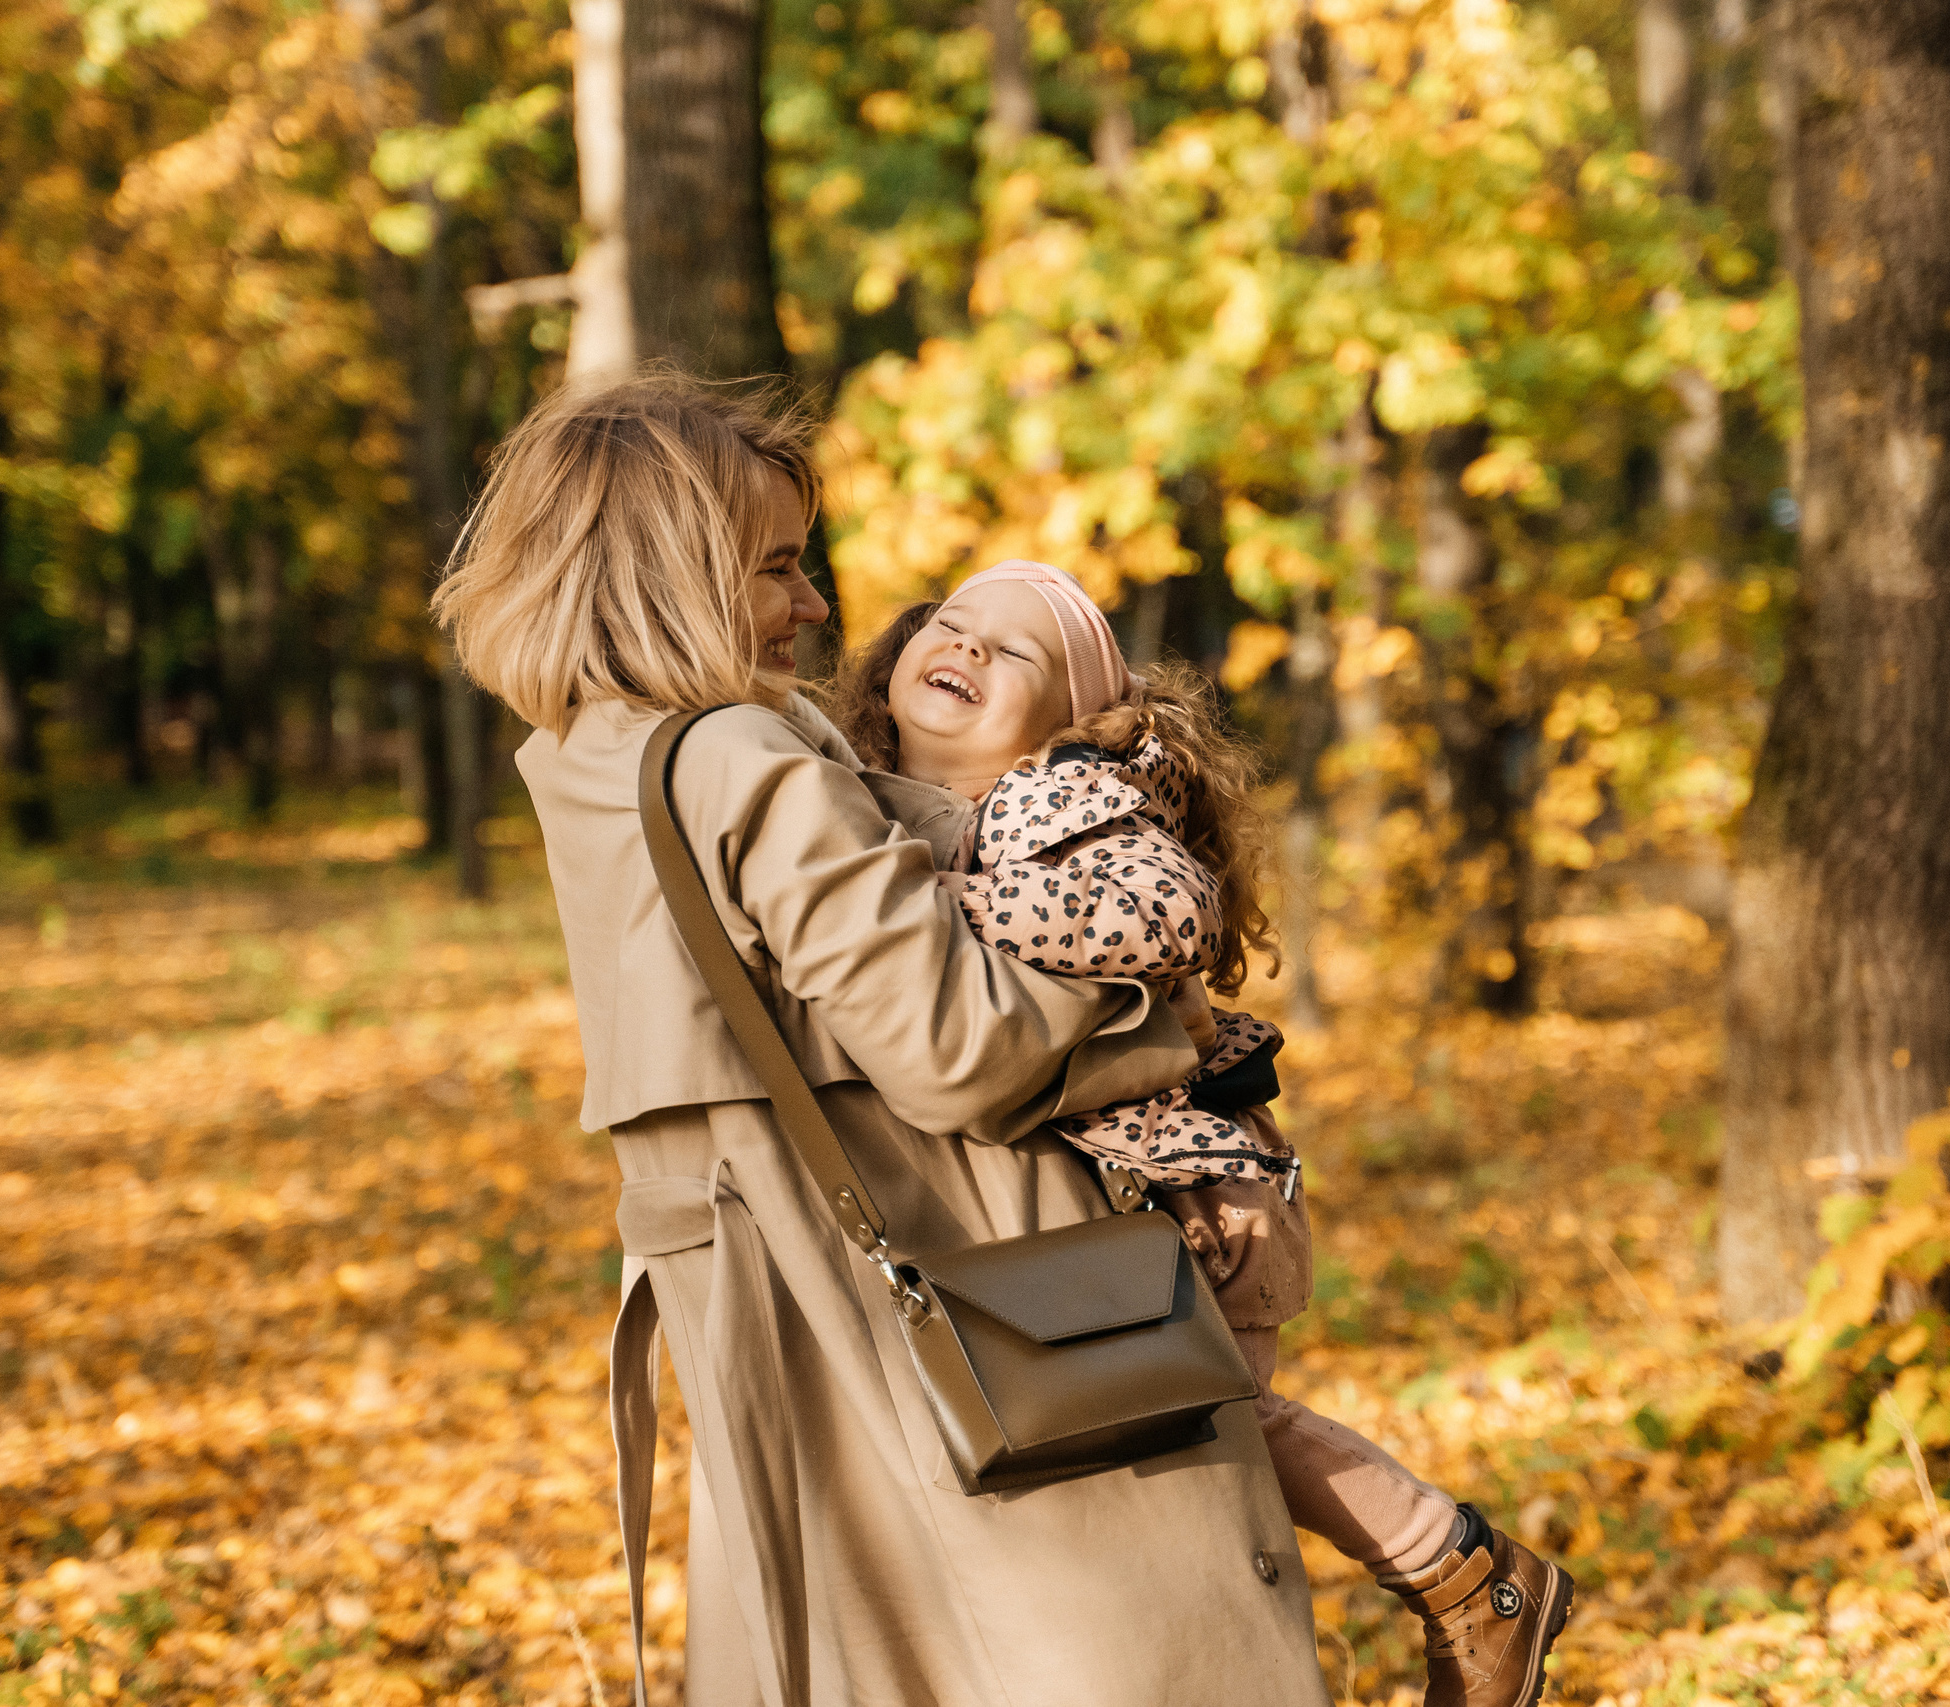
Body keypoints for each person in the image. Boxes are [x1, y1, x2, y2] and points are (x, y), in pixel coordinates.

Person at [429, 373, 1334, 1707]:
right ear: (671, 573)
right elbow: (958, 1049)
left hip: (766, 1276)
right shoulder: (746, 755)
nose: (813, 608)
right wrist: (1146, 1009)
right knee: (1112, 1635)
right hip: (947, 1251)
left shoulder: (585, 756)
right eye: (779, 567)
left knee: (858, 1647)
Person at [828, 564, 1573, 1707]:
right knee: (1184, 1441)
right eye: (951, 626)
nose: (966, 650)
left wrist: (940, 908)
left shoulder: (1050, 797)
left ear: (1070, 721)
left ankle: (1468, 1577)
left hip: (1204, 1188)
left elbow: (1165, 907)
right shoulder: (893, 804)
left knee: (1213, 1432)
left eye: (1009, 652)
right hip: (1156, 1186)